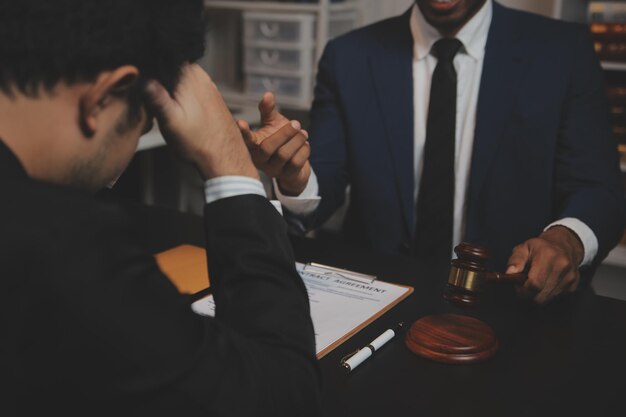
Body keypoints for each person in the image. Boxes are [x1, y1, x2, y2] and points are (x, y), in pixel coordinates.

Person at [0, 0, 320, 415]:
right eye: (148, 119)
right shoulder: (67, 248)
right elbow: (283, 395)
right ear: (103, 99)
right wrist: (231, 163)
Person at [241, 0, 626, 305]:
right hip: (380, 299)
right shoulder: (348, 56)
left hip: (515, 307)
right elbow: (322, 177)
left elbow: (600, 186)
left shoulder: (562, 50)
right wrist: (293, 178)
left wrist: (566, 240)